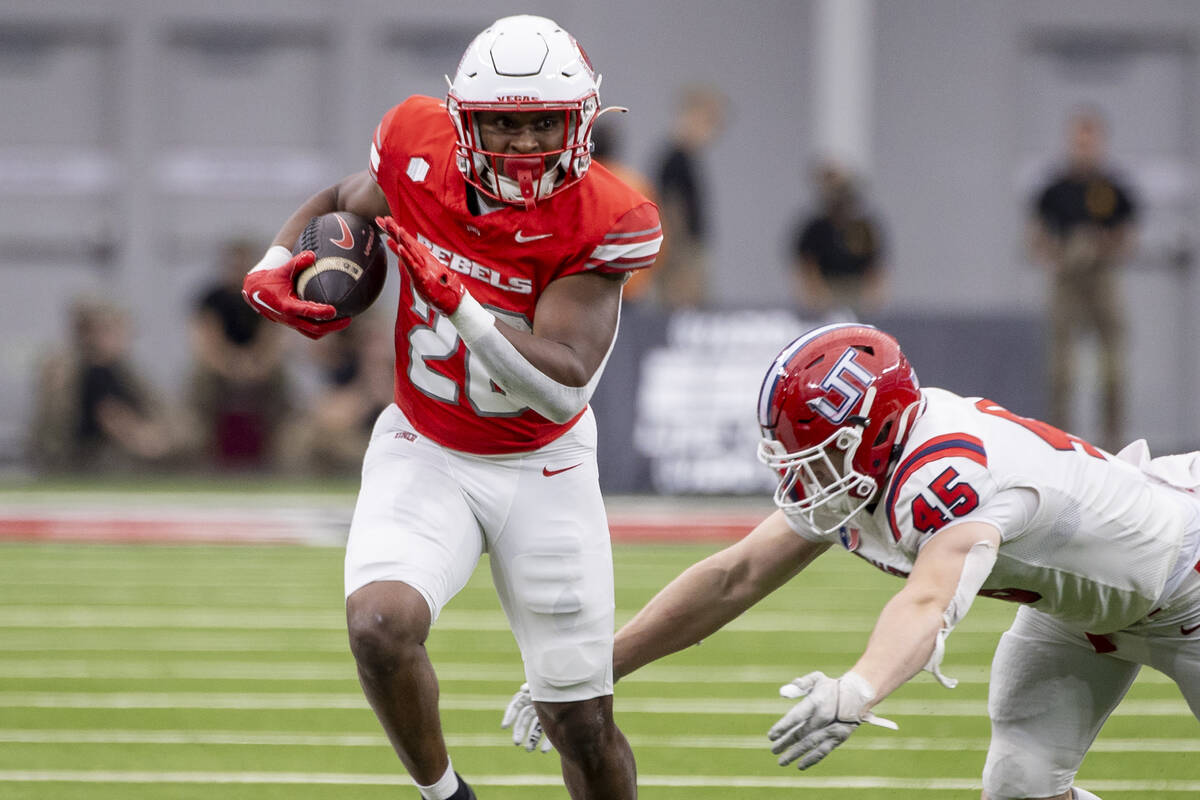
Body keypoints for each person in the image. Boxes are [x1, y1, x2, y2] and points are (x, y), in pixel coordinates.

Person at [504, 322, 1200, 800]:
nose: (803, 476)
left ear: (881, 429)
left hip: (1186, 581)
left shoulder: (945, 473)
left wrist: (859, 689)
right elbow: (735, 576)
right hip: (1079, 615)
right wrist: (597, 670)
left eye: (822, 453)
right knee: (1019, 785)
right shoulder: (867, 468)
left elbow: (930, 600)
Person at [241, 15, 660, 800]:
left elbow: (565, 379)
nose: (526, 143)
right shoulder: (415, 145)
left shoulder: (609, 217)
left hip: (544, 463)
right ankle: (446, 796)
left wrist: (460, 303)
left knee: (579, 722)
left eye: (545, 123)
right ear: (465, 120)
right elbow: (344, 200)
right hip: (425, 444)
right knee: (378, 625)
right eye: (504, 121)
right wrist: (278, 264)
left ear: (583, 121)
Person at [1029, 107, 1138, 452]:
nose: (1084, 147)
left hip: (1102, 278)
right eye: (1079, 139)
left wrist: (1104, 246)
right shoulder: (1055, 189)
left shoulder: (1113, 188)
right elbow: (1037, 236)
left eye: (1090, 140)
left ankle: (1113, 440)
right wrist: (1058, 254)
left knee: (1113, 367)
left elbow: (1128, 235)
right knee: (1062, 369)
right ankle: (1059, 442)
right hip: (1067, 280)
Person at [29, 297, 182, 473]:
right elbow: (111, 416)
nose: (125, 338)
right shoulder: (79, 369)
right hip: (84, 462)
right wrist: (146, 437)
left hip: (105, 458)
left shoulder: (121, 369)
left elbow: (162, 410)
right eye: (116, 329)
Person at [188, 237, 293, 470]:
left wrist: (257, 365)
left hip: (258, 364)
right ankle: (201, 447)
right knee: (200, 381)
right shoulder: (211, 299)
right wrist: (231, 365)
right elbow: (206, 342)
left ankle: (279, 448)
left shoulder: (266, 295)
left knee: (282, 381)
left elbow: (274, 337)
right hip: (219, 364)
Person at [649, 83, 726, 309]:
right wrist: (678, 258)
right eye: (709, 121)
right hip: (682, 254)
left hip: (686, 251)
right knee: (683, 309)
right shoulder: (675, 159)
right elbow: (669, 208)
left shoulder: (685, 159)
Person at [790, 158, 887, 321]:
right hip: (827, 288)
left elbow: (875, 262)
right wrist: (813, 291)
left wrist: (873, 292)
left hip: (856, 288)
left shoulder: (863, 227)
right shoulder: (817, 227)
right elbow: (806, 262)